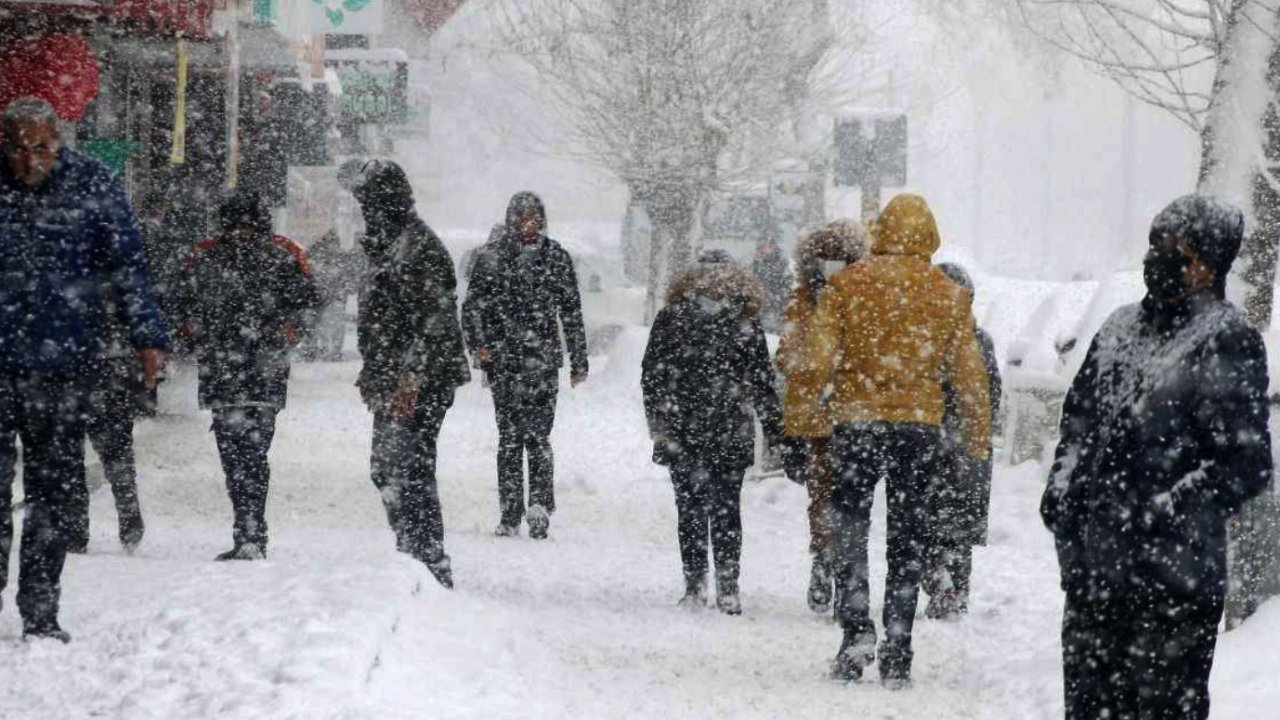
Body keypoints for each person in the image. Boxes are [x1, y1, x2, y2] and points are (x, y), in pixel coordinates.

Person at [1042, 196, 1272, 720]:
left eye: (1178, 250)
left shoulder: (1225, 339)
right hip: (1095, 576)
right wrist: (1062, 495)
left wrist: (1160, 510)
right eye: (1155, 244)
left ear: (1210, 264)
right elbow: (1078, 422)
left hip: (1173, 585)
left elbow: (1244, 463)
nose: (1159, 258)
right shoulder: (1119, 328)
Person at [803, 193, 991, 687]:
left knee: (848, 531)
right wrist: (975, 436)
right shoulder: (948, 296)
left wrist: (803, 418)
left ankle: (856, 629)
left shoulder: (846, 286)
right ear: (929, 236)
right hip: (919, 429)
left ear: (882, 232)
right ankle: (899, 643)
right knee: (909, 539)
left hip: (856, 424)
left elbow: (815, 361)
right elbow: (969, 377)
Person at [0, 97, 167, 642]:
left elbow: (128, 266)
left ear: (59, 142)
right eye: (19, 149)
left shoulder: (93, 185)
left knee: (52, 490)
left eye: (41, 148)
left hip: (63, 364)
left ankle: (41, 610)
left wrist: (147, 336)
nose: (30, 160)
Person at [641, 250, 792, 615]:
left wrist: (660, 422)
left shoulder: (675, 318)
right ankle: (719, 584)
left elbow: (653, 376)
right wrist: (775, 431)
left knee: (699, 508)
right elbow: (761, 384)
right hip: (720, 429)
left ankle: (705, 584)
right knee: (719, 509)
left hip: (690, 429)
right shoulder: (742, 321)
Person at [178, 189, 320, 562]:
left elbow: (309, 303)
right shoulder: (272, 256)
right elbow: (180, 303)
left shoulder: (214, 257)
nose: (240, 233)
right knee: (241, 454)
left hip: (244, 370)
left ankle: (250, 530)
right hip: (244, 370)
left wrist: (293, 328)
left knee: (246, 454)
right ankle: (250, 529)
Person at [352, 160, 470, 589]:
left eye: (368, 200)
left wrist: (411, 376)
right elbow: (380, 318)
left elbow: (434, 319)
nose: (364, 209)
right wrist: (373, 369)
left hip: (425, 377)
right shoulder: (385, 244)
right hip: (394, 374)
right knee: (387, 467)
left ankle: (428, 557)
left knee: (410, 465)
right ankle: (413, 547)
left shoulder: (419, 246)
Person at [462, 192, 588, 540]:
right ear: (511, 220)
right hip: (504, 363)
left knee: (539, 437)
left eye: (534, 217)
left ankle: (539, 506)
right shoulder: (491, 258)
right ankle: (509, 512)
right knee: (509, 439)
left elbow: (572, 312)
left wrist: (579, 360)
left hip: (543, 362)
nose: (529, 224)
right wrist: (480, 346)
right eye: (522, 218)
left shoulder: (556, 257)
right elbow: (472, 309)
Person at [775, 220, 866, 614]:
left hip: (837, 411)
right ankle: (833, 561)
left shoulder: (816, 299)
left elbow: (789, 354)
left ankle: (831, 561)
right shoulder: (819, 299)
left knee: (830, 494)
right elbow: (788, 353)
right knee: (832, 494)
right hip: (842, 412)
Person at [920, 262, 1002, 619]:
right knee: (959, 529)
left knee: (922, 521)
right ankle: (955, 591)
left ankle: (935, 576)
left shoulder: (919, 338)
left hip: (930, 441)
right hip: (968, 445)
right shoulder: (980, 340)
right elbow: (992, 395)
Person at [301, 229, 352, 362]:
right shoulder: (340, 258)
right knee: (329, 326)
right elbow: (344, 280)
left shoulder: (313, 258)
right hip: (327, 298)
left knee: (313, 326)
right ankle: (330, 351)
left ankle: (313, 350)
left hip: (318, 298)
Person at [751, 233, 792, 333]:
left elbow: (786, 283)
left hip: (776, 304)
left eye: (762, 247)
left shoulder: (782, 262)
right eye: (758, 247)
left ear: (772, 247)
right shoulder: (757, 262)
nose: (759, 250)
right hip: (763, 304)